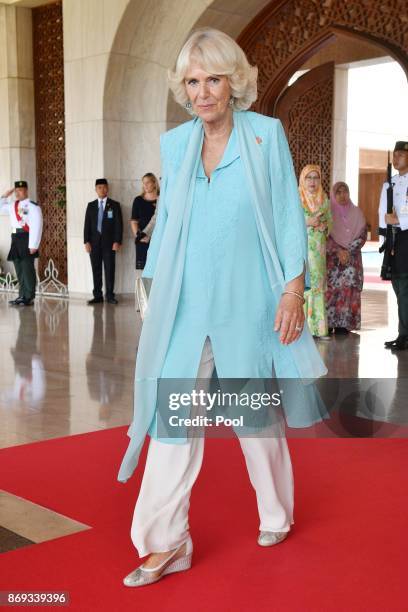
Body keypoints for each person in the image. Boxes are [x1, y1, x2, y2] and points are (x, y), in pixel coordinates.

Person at [118, 28, 327, 588]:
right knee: (172, 419)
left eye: (213, 79)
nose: (203, 92)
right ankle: (166, 542)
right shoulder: (177, 144)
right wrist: (151, 289)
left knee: (253, 417)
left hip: (248, 301)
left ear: (233, 83)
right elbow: (168, 227)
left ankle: (276, 513)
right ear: (183, 89)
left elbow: (287, 216)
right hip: (186, 306)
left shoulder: (264, 135)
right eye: (192, 82)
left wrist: (291, 291)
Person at [326, 182, 367, 334]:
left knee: (349, 288)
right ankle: (330, 323)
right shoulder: (328, 214)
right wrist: (338, 251)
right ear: (333, 195)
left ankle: (345, 324)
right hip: (333, 261)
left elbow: (362, 235)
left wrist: (348, 251)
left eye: (345, 191)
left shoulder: (357, 212)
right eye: (338, 192)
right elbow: (325, 235)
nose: (343, 195)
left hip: (352, 258)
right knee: (332, 290)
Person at [380, 141, 408, 350]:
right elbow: (383, 213)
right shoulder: (389, 183)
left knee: (404, 287)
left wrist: (398, 221)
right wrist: (384, 241)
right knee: (398, 287)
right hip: (394, 239)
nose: (396, 158)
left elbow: (397, 217)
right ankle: (403, 333)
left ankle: (404, 335)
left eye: (401, 155)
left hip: (406, 236)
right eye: (395, 154)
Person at [298, 165, 332, 340]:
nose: (312, 182)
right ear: (303, 179)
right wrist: (308, 221)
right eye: (308, 178)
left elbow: (330, 222)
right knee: (304, 284)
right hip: (302, 247)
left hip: (318, 249)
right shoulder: (297, 198)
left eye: (316, 177)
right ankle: (302, 329)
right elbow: (289, 221)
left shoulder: (324, 199)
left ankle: (318, 329)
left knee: (317, 285)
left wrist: (325, 226)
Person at [0, 181, 43, 306]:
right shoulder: (12, 205)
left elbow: (37, 226)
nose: (18, 193)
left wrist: (34, 245)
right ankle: (22, 295)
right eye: (16, 191)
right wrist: (5, 195)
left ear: (26, 191)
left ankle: (29, 296)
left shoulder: (33, 206)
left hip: (26, 238)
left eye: (21, 190)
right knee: (19, 268)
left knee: (27, 268)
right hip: (15, 238)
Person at [83, 178, 123, 305]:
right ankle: (98, 295)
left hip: (109, 244)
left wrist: (117, 241)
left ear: (108, 188)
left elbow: (119, 225)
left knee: (110, 269)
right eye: (99, 187)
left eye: (104, 187)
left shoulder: (115, 205)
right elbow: (87, 225)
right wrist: (86, 241)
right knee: (96, 269)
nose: (102, 189)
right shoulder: (91, 206)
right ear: (95, 189)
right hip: (94, 244)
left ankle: (110, 295)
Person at [130, 173, 159, 276]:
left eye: (148, 182)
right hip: (142, 239)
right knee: (143, 272)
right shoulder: (138, 200)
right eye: (143, 183)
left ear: (154, 183)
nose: (145, 185)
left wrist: (151, 237)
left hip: (157, 240)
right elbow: (134, 221)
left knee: (157, 270)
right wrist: (139, 236)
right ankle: (143, 292)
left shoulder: (161, 199)